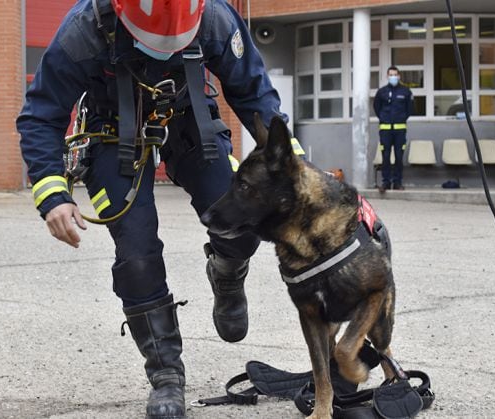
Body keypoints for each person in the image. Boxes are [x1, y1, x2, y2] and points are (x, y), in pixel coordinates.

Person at [16, 1, 291, 418]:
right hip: (110, 130)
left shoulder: (213, 17)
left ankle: (227, 275)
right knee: (137, 254)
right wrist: (53, 194)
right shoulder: (84, 28)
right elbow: (41, 115)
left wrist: (289, 168)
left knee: (244, 218)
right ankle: (166, 377)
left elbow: (254, 94)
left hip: (188, 119)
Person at [373, 66, 414, 192]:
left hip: (400, 130)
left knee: (398, 157)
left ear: (399, 76)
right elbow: (377, 108)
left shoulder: (406, 92)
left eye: (395, 74)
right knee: (385, 157)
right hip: (385, 130)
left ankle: (397, 183)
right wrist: (384, 118)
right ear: (387, 76)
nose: (393, 77)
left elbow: (410, 109)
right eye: (391, 74)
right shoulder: (381, 92)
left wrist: (400, 118)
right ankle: (385, 183)